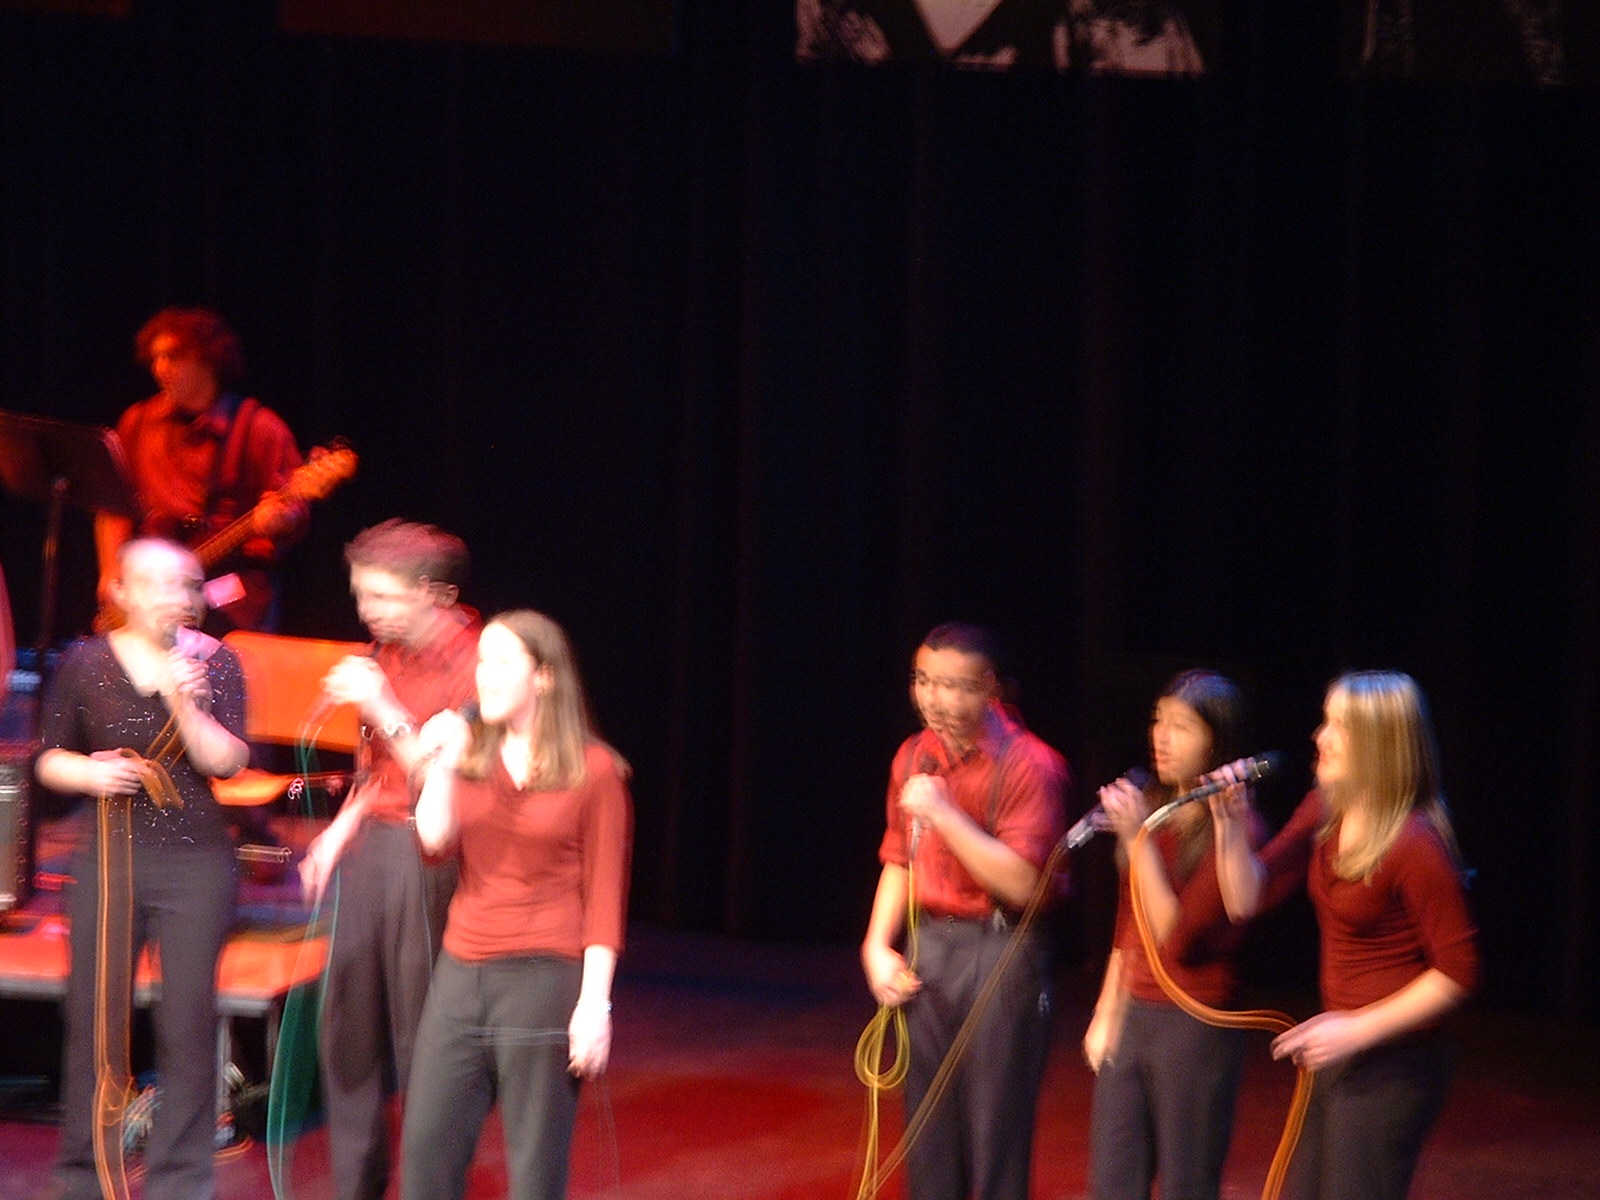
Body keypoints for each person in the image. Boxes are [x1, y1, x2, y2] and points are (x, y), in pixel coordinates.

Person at [34, 538, 250, 1200]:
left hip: (195, 863)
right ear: (121, 592)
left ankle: (180, 1181)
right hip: (110, 854)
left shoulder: (217, 661)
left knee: (187, 1025)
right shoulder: (85, 660)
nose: (177, 598)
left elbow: (226, 763)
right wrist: (88, 773)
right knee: (94, 1022)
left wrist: (189, 704)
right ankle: (85, 1177)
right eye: (158, 584)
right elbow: (49, 758)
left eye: (189, 585)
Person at [1211, 671, 1479, 1200]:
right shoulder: (1326, 806)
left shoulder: (1415, 842)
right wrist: (1229, 824)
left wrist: (1357, 1028)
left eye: (1339, 726)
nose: (1320, 736)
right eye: (1324, 721)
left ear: (1379, 744)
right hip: (1342, 1049)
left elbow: (1459, 972)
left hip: (1396, 1062)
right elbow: (1245, 899)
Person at [400, 610, 633, 1200]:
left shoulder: (595, 772)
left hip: (542, 978)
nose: (485, 675)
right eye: (482, 660)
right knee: (426, 1154)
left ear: (544, 677)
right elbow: (433, 842)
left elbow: (604, 900)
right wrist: (444, 762)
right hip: (461, 971)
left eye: (503, 662)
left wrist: (594, 1006)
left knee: (534, 1171)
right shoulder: (471, 756)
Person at [297, 519, 479, 1200]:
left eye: (380, 596)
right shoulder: (387, 653)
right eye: (360, 594)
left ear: (435, 593)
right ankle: (356, 1187)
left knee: (422, 1037)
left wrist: (381, 702)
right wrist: (338, 833)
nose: (365, 610)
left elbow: (442, 786)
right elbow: (378, 770)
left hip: (434, 855)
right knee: (348, 1029)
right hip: (374, 848)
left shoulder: (481, 663)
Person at [861, 621, 1070, 1200]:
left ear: (990, 689)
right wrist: (876, 946)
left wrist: (947, 816)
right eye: (923, 681)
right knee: (928, 1131)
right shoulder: (913, 755)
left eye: (953, 686)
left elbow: (1025, 884)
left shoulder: (1031, 765)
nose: (934, 700)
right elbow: (899, 857)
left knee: (994, 1132)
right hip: (931, 945)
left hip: (1000, 948)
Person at [1082, 670, 1266, 1200]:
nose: (1161, 737)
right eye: (1158, 721)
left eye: (1181, 727)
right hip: (1136, 1013)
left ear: (1216, 742)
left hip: (1195, 1022)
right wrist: (1107, 1012)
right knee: (1113, 1179)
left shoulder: (1236, 829)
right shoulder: (1156, 810)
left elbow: (1174, 936)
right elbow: (1131, 923)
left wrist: (1136, 839)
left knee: (1188, 1182)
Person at [95, 307, 307, 633]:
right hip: (156, 581)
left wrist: (282, 519)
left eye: (172, 357)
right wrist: (111, 569)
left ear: (208, 360)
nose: (159, 369)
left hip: (232, 587)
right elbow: (113, 506)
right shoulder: (138, 422)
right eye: (155, 359)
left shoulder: (260, 428)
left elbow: (294, 509)